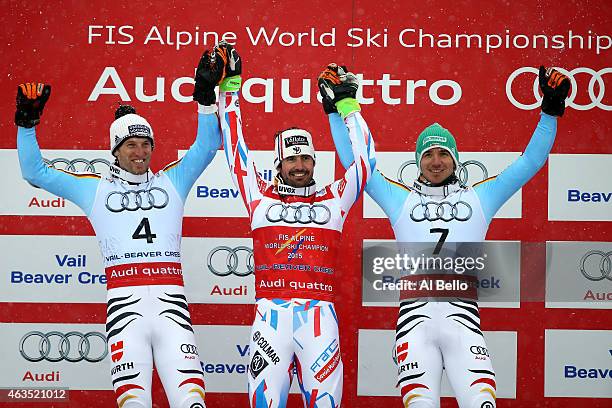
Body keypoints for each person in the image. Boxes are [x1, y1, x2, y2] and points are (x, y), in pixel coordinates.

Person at [328, 67, 570, 407]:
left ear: (455, 160)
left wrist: (550, 110)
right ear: (417, 161)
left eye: (443, 153)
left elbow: (531, 161)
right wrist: (336, 110)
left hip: (463, 324)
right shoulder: (401, 198)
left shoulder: (480, 197)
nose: (436, 161)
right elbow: (354, 164)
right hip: (414, 326)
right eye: (428, 154)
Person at [15, 48, 226, 408]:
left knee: (192, 402)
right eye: (131, 145)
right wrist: (27, 126)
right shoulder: (95, 188)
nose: (140, 152)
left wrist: (205, 98)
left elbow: (208, 146)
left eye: (146, 144)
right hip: (125, 311)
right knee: (133, 403)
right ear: (116, 150)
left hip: (171, 307)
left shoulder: (171, 181)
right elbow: (35, 173)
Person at [205, 42, 375, 407]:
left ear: (314, 163)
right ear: (279, 164)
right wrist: (231, 89)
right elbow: (236, 147)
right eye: (291, 159)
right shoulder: (260, 196)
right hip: (270, 321)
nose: (299, 166)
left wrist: (347, 107)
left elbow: (365, 163)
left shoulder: (334, 199)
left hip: (320, 321)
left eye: (306, 159)